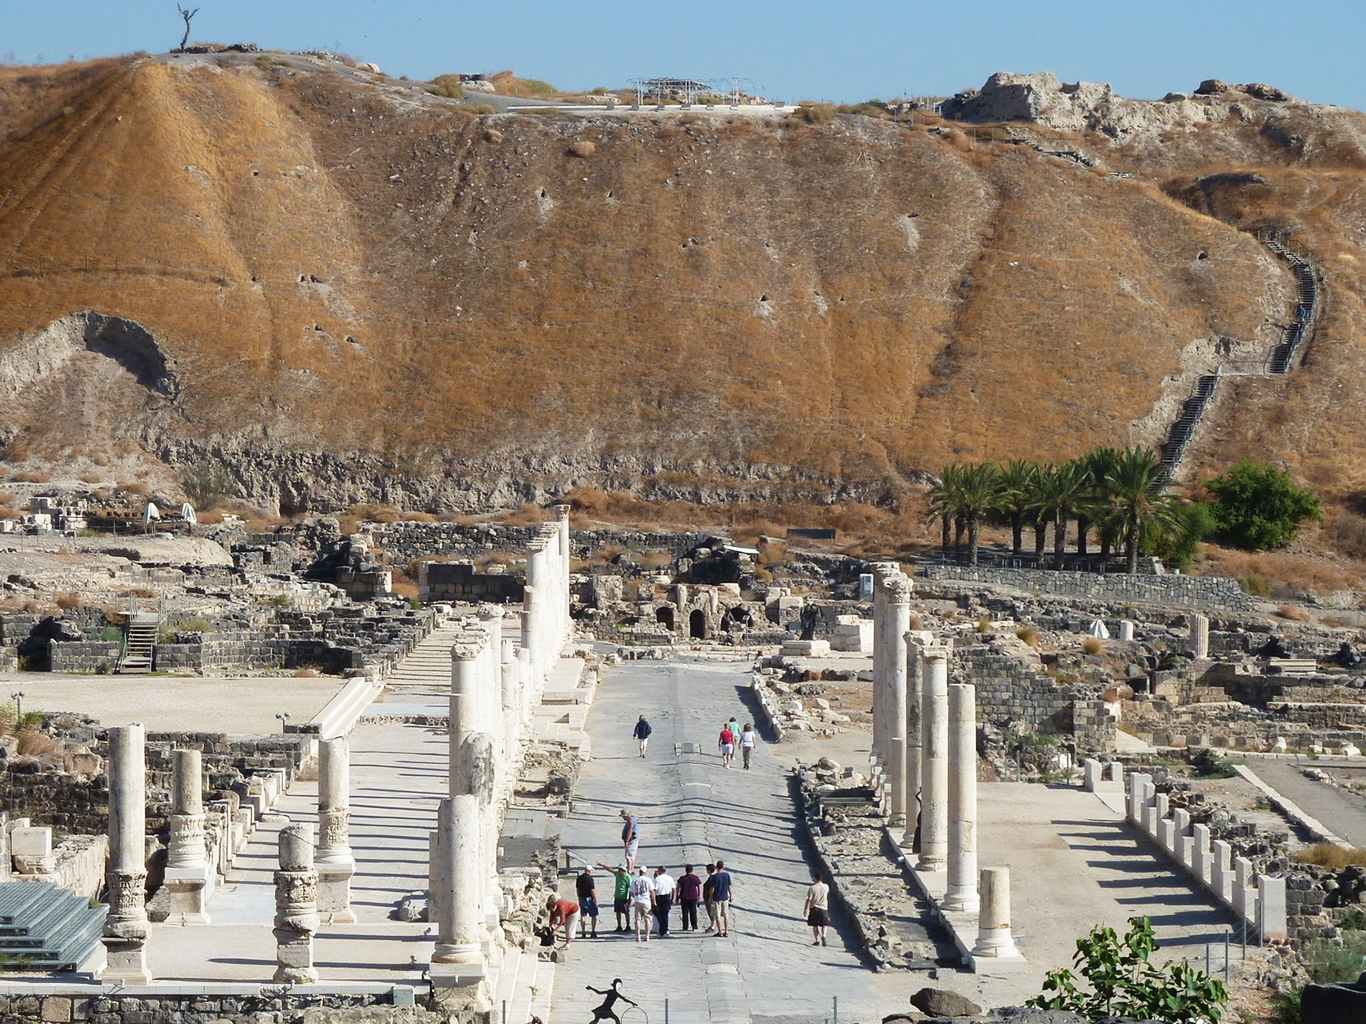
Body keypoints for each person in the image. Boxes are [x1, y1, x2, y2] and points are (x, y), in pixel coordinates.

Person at [598, 861, 632, 932]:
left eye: (621, 870)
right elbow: (610, 869)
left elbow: (630, 889)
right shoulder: (617, 874)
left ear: (624, 870)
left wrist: (630, 899)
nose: (619, 871)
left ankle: (628, 926)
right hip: (617, 896)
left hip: (624, 897)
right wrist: (602, 865)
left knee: (626, 912)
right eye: (619, 869)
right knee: (617, 912)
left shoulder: (628, 877)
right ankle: (619, 926)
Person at [803, 871, 830, 946]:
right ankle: (824, 935)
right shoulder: (826, 887)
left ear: (815, 878)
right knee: (825, 924)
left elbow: (809, 899)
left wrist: (805, 909)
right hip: (823, 908)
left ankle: (817, 940)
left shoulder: (812, 888)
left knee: (815, 925)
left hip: (814, 908)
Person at [629, 866, 654, 942]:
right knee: (647, 919)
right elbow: (652, 892)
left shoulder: (635, 880)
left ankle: (638, 936)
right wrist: (654, 901)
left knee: (637, 919)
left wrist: (635, 897)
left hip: (638, 901)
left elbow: (631, 892)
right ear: (645, 873)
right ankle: (647, 936)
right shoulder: (648, 880)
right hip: (646, 901)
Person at [576, 864, 599, 938]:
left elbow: (577, 889)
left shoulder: (579, 878)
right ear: (589, 871)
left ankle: (583, 932)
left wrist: (579, 897)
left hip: (582, 898)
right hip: (589, 899)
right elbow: (593, 890)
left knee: (583, 916)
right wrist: (596, 900)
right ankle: (593, 931)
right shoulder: (590, 879)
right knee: (593, 916)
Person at [711, 859, 733, 937]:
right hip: (725, 897)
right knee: (725, 915)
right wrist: (731, 896)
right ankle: (726, 931)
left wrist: (710, 897)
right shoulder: (726, 875)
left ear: (717, 867)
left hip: (717, 898)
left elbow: (712, 888)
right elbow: (729, 886)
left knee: (717, 915)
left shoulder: (715, 877)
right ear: (723, 867)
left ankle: (720, 931)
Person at [652, 865, 675, 937]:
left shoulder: (657, 879)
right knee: (665, 914)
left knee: (661, 915)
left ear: (661, 871)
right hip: (667, 897)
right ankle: (664, 929)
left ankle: (663, 931)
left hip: (660, 897)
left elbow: (655, 890)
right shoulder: (670, 878)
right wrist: (674, 898)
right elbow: (674, 888)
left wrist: (654, 900)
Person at [677, 863, 702, 931]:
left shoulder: (682, 878)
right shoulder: (695, 878)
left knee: (684, 913)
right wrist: (699, 894)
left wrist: (677, 895)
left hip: (684, 897)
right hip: (693, 897)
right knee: (693, 912)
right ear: (692, 870)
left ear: (686, 870)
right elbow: (699, 886)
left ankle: (685, 927)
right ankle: (694, 927)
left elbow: (678, 887)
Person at [702, 862, 718, 932]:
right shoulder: (711, 877)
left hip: (709, 897)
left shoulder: (712, 878)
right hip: (708, 897)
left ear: (709, 870)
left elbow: (712, 888)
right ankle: (712, 925)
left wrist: (710, 897)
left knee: (711, 912)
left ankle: (713, 926)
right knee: (711, 912)